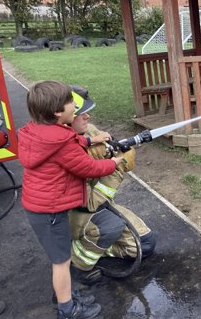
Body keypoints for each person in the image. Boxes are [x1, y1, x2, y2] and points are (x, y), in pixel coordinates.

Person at [19, 80, 126, 319]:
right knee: (61, 262)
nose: (75, 107)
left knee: (61, 257)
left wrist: (90, 140)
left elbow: (66, 141)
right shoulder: (61, 142)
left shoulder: (38, 131)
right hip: (50, 213)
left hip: (40, 209)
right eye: (70, 102)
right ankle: (67, 309)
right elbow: (88, 168)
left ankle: (64, 297)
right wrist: (115, 162)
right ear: (58, 112)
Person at [68, 86, 156, 282]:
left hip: (97, 204)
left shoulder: (86, 131)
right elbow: (89, 201)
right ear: (63, 118)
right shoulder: (61, 156)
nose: (88, 117)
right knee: (112, 225)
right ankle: (79, 262)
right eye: (81, 114)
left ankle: (95, 245)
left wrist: (115, 149)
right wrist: (117, 167)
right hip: (76, 213)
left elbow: (107, 147)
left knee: (146, 244)